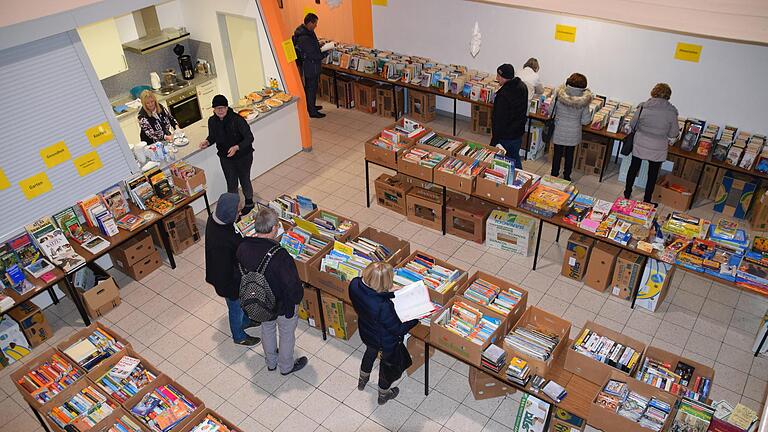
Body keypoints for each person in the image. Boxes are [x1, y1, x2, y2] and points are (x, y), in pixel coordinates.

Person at [236, 207, 307, 376]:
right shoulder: (280, 255)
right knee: (286, 333)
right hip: (282, 304)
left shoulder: (243, 247)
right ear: (274, 227)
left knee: (267, 328)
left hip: (259, 302)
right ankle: (286, 366)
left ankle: (271, 362)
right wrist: (297, 299)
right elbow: (292, 286)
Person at [348, 262, 418, 405]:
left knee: (370, 352)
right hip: (385, 340)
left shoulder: (354, 284)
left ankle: (363, 379)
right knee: (387, 367)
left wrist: (393, 292)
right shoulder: (383, 306)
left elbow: (372, 294)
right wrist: (414, 319)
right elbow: (398, 329)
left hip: (367, 331)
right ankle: (384, 394)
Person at [204, 193, 260, 346]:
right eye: (237, 211)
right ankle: (239, 335)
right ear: (228, 214)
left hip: (228, 276)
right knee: (235, 307)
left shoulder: (215, 219)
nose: (240, 213)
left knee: (241, 304)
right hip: (229, 282)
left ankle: (246, 321)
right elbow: (233, 258)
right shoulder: (222, 240)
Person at [199, 95, 255, 216]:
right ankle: (234, 208)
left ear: (227, 107)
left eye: (222, 108)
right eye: (217, 108)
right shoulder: (212, 121)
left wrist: (236, 147)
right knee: (231, 184)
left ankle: (249, 203)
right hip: (226, 157)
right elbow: (213, 136)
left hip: (243, 155)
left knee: (244, 179)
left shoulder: (237, 119)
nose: (220, 110)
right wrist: (207, 142)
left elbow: (250, 138)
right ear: (213, 109)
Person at [624, 83, 679, 204]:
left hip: (640, 143)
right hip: (658, 147)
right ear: (668, 96)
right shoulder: (671, 112)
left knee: (633, 168)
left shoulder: (643, 107)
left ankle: (627, 194)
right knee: (653, 174)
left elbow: (633, 125)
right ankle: (647, 199)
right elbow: (674, 133)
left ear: (653, 92)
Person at [550, 73, 593, 181]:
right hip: (574, 132)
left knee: (557, 154)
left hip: (559, 129)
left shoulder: (559, 94)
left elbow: (550, 111)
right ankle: (566, 176)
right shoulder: (584, 100)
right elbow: (585, 121)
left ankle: (554, 175)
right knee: (570, 155)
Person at [491, 63, 528, 171]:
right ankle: (520, 180)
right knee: (514, 158)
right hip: (518, 132)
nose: (497, 78)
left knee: (502, 162)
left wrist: (495, 140)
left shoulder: (503, 95)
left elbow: (499, 120)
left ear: (504, 77)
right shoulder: (522, 87)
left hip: (505, 136)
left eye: (498, 76)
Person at [293, 13, 330, 118]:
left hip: (312, 66)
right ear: (309, 23)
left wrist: (320, 46)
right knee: (310, 89)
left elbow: (313, 47)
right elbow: (312, 54)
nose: (316, 26)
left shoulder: (308, 32)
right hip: (310, 67)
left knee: (312, 88)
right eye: (315, 23)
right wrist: (324, 54)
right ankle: (312, 111)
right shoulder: (304, 37)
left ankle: (312, 106)